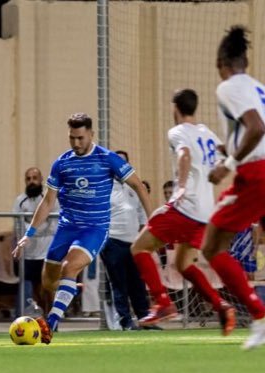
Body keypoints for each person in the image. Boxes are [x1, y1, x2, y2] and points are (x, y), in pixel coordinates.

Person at [12, 112, 151, 344]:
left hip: (94, 229)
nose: (76, 143)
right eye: (72, 138)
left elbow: (139, 186)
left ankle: (51, 324)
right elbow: (48, 202)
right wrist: (28, 235)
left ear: (91, 135)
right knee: (48, 282)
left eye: (80, 138)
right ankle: (69, 287)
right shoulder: (62, 163)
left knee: (69, 267)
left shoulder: (107, 159)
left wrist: (151, 221)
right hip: (67, 229)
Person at [131, 89, 236, 335]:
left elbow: (184, 154)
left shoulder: (177, 132)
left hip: (186, 207)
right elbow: (227, 152)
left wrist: (181, 187)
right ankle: (221, 305)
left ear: (174, 107)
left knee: (139, 247)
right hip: (205, 213)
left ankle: (162, 302)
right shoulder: (207, 133)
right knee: (183, 263)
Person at [200, 26, 265, 350]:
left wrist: (229, 164)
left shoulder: (228, 87)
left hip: (256, 175)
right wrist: (232, 148)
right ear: (246, 61)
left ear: (220, 62)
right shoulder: (257, 86)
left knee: (212, 246)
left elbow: (256, 126)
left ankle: (259, 317)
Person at [100, 150, 156, 330]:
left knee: (138, 284)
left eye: (124, 162)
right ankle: (125, 322)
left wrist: (144, 239)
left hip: (134, 244)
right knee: (119, 284)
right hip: (113, 241)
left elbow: (141, 218)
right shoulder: (104, 187)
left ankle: (145, 319)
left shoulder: (134, 187)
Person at [13, 167, 59, 315]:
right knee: (34, 290)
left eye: (35, 178)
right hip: (29, 254)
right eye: (28, 178)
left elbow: (53, 226)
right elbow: (18, 227)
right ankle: (39, 317)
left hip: (46, 251)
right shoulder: (20, 201)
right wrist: (39, 225)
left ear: (41, 179)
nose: (32, 181)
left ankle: (52, 319)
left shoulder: (49, 198)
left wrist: (31, 228)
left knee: (47, 288)